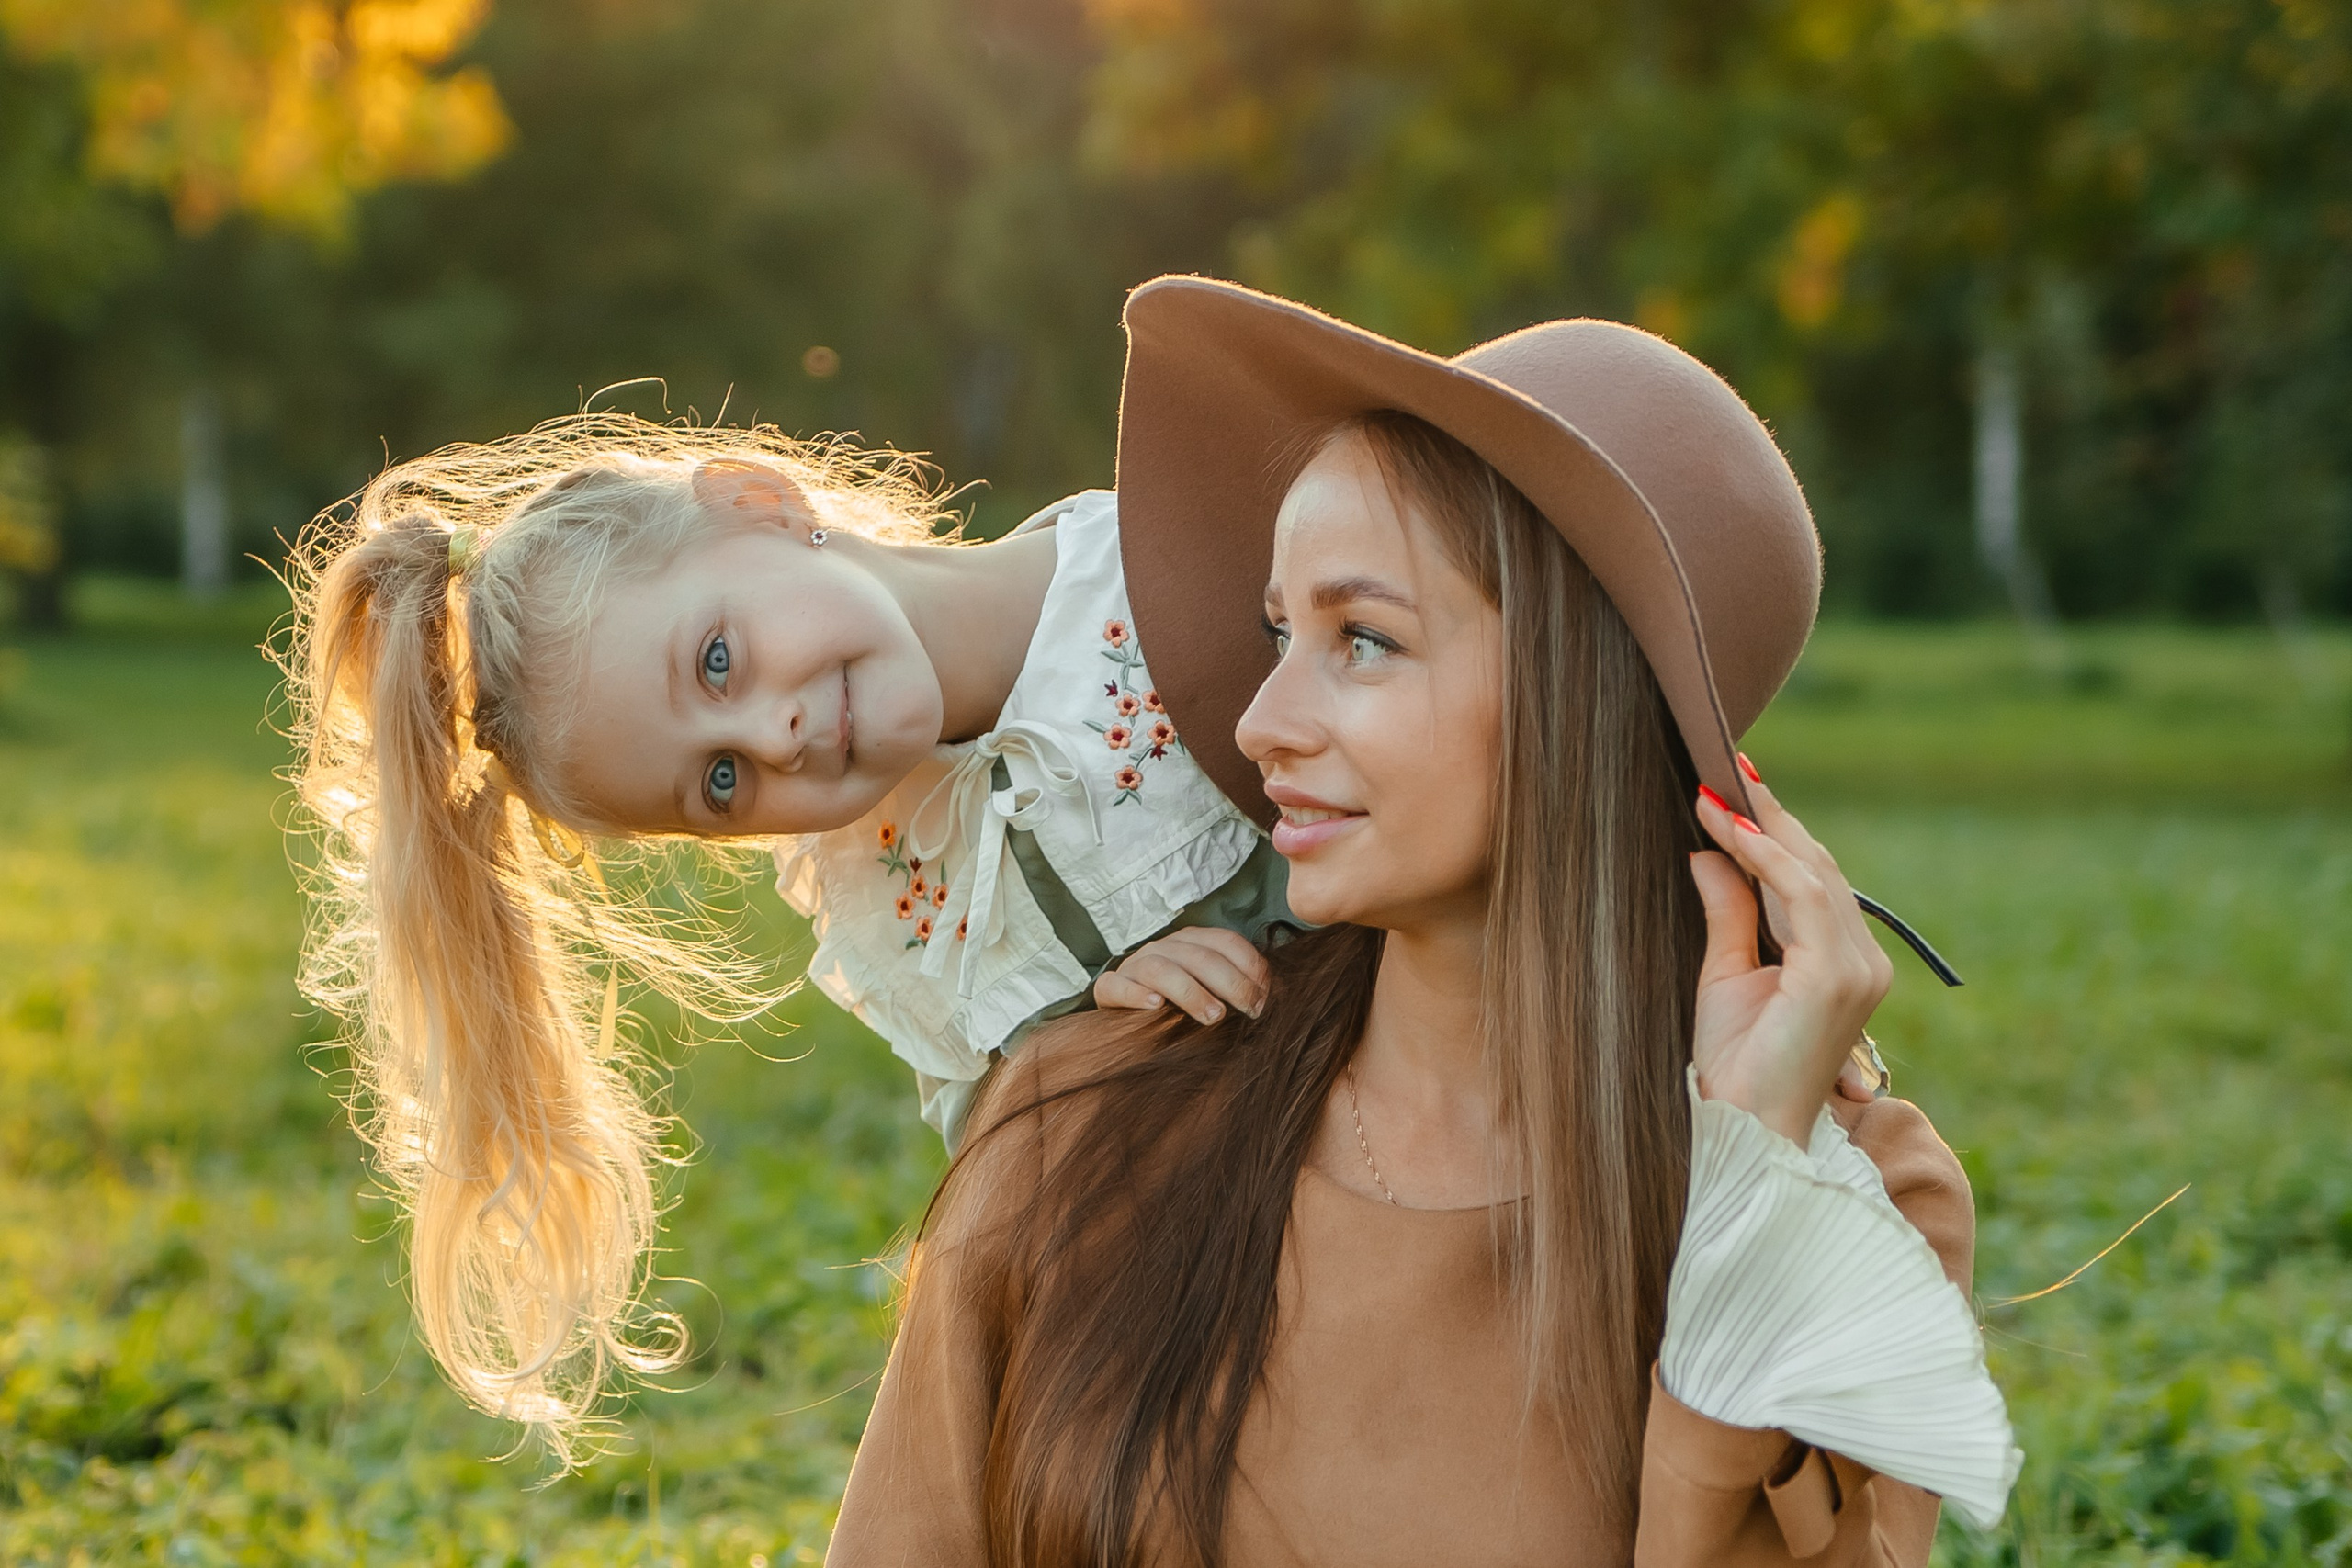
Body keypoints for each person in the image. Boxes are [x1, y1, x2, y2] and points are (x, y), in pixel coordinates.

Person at [826, 278, 2020, 1564]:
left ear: (1587, 693)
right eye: (1280, 630)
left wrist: (1751, 1185)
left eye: (1364, 640)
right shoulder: (1084, 1120)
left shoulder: (1855, 1204)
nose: (1258, 720)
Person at [284, 415, 1286, 1460]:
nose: (775, 738)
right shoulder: (906, 893)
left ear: (760, 502)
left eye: (718, 660)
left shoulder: (1186, 551)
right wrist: (1094, 1036)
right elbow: (1023, 1193)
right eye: (722, 782)